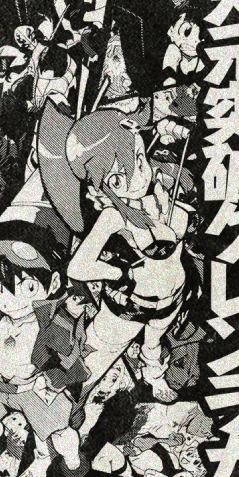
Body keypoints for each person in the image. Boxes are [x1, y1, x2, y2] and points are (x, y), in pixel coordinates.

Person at [38, 104, 194, 402]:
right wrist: (121, 273)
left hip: (171, 299)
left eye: (139, 158)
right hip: (130, 307)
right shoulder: (114, 217)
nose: (141, 171)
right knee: (93, 360)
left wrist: (167, 131)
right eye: (119, 177)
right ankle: (58, 404)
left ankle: (154, 376)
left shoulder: (161, 194)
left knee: (153, 343)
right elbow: (77, 267)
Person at [0, 228, 92, 477]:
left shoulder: (53, 320)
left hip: (33, 389)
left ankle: (67, 465)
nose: (9, 299)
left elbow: (68, 356)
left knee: (55, 436)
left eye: (27, 287)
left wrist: (69, 319)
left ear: (52, 283)